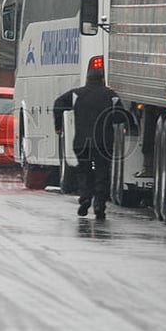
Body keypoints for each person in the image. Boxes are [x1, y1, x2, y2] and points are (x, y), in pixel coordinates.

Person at [53, 67, 123, 219]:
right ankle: (99, 205)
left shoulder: (76, 94)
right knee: (102, 172)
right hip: (103, 142)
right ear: (102, 80)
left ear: (86, 79)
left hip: (81, 143)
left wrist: (58, 126)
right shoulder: (110, 95)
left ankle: (85, 200)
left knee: (84, 171)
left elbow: (58, 103)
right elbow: (120, 116)